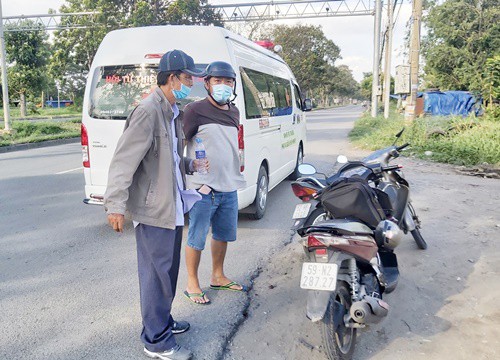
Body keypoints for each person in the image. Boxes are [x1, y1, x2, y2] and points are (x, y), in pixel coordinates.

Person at [104, 49, 207, 360]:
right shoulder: (149, 111)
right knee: (155, 275)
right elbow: (123, 161)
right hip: (154, 209)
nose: (193, 82)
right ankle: (155, 341)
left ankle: (163, 321)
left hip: (171, 205)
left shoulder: (172, 110)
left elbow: (167, 160)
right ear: (172, 78)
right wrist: (115, 205)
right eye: (189, 77)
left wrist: (190, 167)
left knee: (168, 271)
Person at [182, 61, 247, 305]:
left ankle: (218, 276)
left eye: (228, 81)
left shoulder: (234, 112)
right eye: (217, 81)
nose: (223, 85)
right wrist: (189, 169)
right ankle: (192, 283)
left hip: (228, 185)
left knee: (222, 235)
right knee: (196, 237)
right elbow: (179, 145)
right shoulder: (194, 110)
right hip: (203, 188)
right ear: (207, 83)